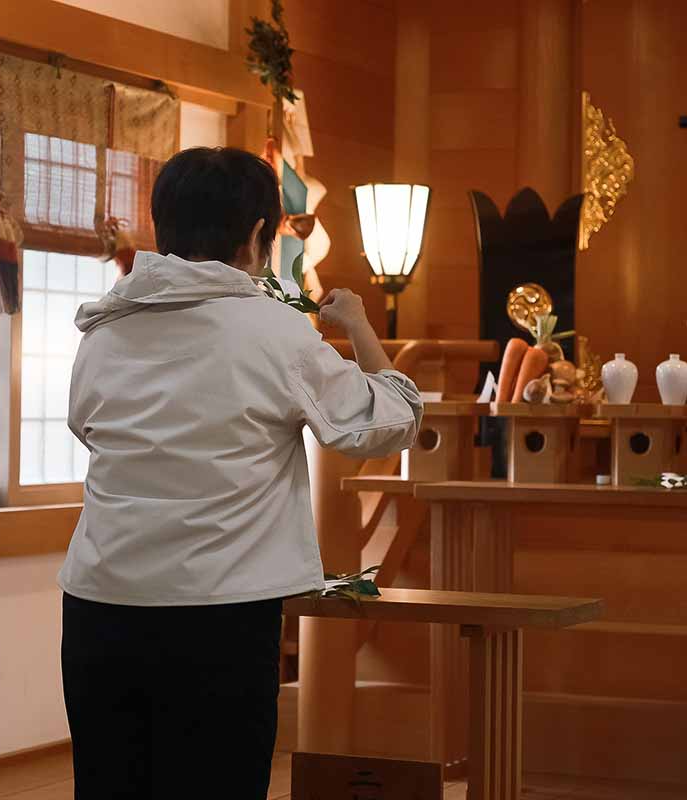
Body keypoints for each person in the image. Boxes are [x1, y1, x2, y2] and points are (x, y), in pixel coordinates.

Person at [59, 146, 423, 799]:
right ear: (258, 234)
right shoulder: (272, 331)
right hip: (218, 616)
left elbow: (87, 428)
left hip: (99, 605)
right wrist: (361, 326)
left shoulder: (104, 331)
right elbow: (386, 423)